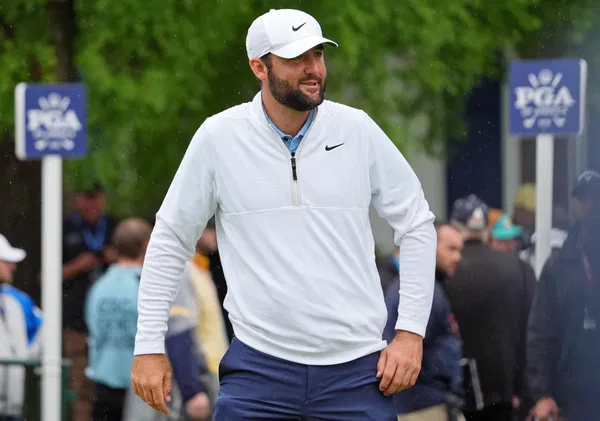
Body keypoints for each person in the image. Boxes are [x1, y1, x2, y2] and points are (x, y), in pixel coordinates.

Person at [131, 8, 437, 421]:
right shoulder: (218, 138)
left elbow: (417, 224)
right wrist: (148, 345)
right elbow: (170, 240)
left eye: (318, 55)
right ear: (259, 67)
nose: (313, 69)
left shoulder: (357, 130)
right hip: (258, 372)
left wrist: (411, 332)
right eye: (296, 58)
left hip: (358, 372)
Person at [445, 195, 536, 421]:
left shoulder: (447, 271)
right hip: (507, 390)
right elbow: (532, 328)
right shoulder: (518, 267)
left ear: (455, 228)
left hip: (459, 390)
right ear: (487, 229)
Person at [527, 170, 600, 420]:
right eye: (584, 198)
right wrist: (542, 393)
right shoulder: (559, 265)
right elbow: (540, 331)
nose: (591, 204)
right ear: (576, 204)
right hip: (573, 395)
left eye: (595, 196)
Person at [384, 222, 465, 421]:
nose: (458, 257)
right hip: (421, 405)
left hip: (424, 400)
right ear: (430, 247)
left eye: (459, 250)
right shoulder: (419, 293)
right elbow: (401, 351)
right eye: (451, 249)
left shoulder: (426, 288)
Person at [61, 182, 120, 421]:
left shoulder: (115, 228)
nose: (91, 203)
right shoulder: (64, 228)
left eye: (95, 197)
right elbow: (45, 277)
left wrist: (114, 258)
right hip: (77, 324)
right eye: (86, 197)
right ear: (77, 199)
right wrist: (79, 265)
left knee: (114, 384)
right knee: (80, 387)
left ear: (103, 198)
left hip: (113, 324)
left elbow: (136, 262)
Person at [85, 218, 152, 421]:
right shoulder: (148, 286)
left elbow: (92, 327)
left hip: (103, 385)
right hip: (141, 387)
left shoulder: (99, 286)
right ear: (146, 245)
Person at [0, 234, 42, 421]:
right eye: (6, 261)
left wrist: (25, 356)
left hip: (11, 408)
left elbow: (44, 334)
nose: (13, 267)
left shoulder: (18, 300)